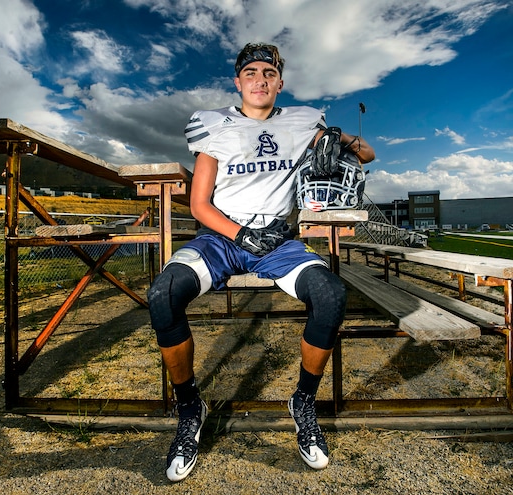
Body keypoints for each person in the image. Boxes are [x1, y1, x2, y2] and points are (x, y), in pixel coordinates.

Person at [147, 42, 375, 482]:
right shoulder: (217, 126)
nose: (259, 80)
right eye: (250, 73)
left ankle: (303, 402)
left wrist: (336, 137)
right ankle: (191, 407)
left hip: (276, 240)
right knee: (164, 294)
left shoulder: (302, 122)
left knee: (330, 295)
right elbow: (198, 204)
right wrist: (241, 234)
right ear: (238, 81)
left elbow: (367, 155)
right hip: (222, 237)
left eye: (268, 73)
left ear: (280, 83)